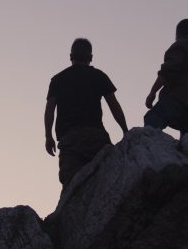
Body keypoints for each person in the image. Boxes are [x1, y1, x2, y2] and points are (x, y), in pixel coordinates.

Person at [45, 38, 129, 188]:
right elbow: (114, 105)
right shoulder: (99, 76)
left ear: (71, 56)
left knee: (71, 188)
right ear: (90, 58)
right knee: (105, 183)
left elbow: (50, 110)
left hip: (70, 140)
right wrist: (125, 130)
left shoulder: (58, 79)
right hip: (96, 138)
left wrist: (48, 136)